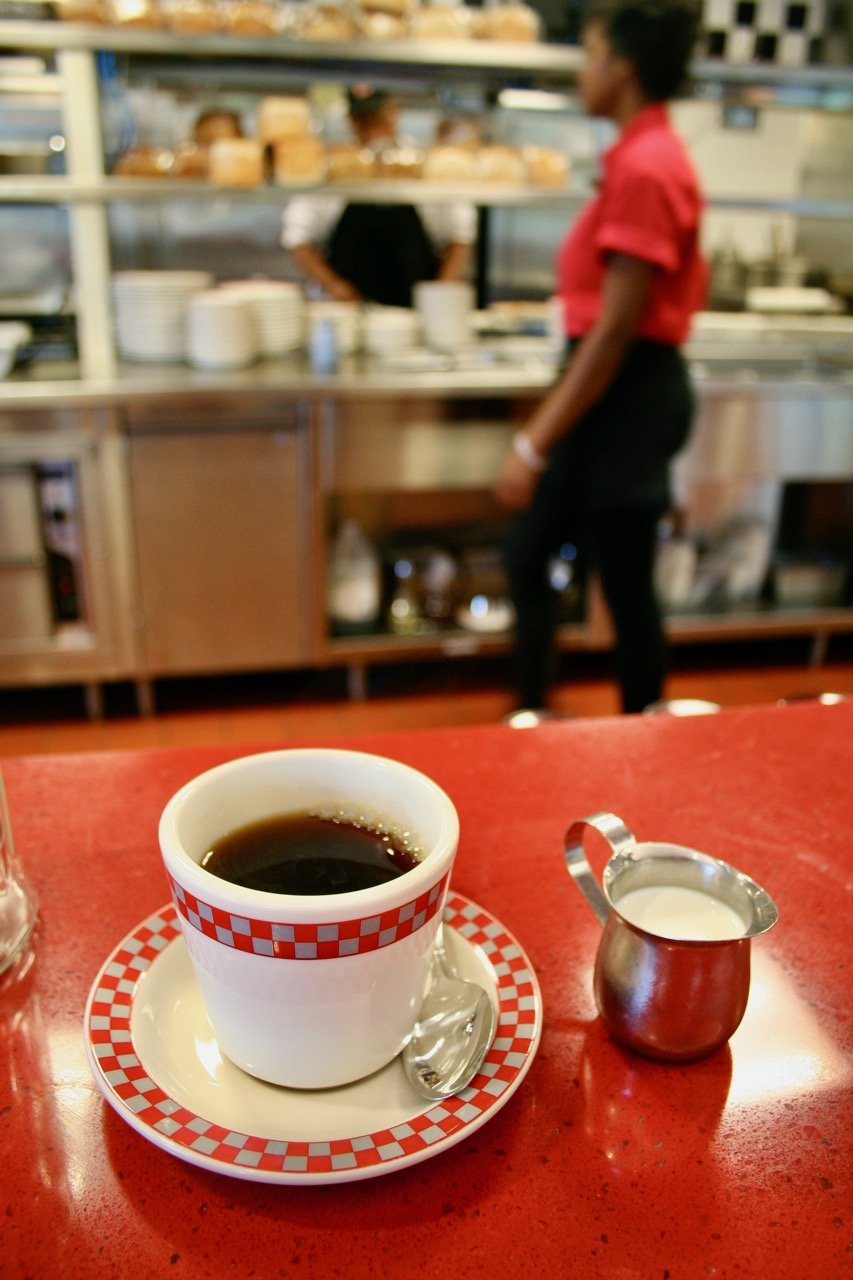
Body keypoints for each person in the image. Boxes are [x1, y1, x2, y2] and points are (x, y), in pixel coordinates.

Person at [495, 0, 706, 714]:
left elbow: (614, 332)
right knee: (532, 551)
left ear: (622, 65)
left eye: (588, 54)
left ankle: (644, 732)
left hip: (627, 388)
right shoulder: (635, 157)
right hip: (611, 383)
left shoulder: (647, 167)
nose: (581, 71)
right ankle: (532, 714)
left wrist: (530, 444)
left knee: (620, 580)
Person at [281, 86, 476, 306]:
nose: (370, 127)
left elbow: (460, 237)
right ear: (350, 119)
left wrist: (440, 295)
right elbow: (299, 239)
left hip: (416, 315)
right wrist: (334, 286)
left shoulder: (422, 165)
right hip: (347, 314)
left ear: (394, 111)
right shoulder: (332, 167)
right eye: (361, 118)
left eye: (377, 116)